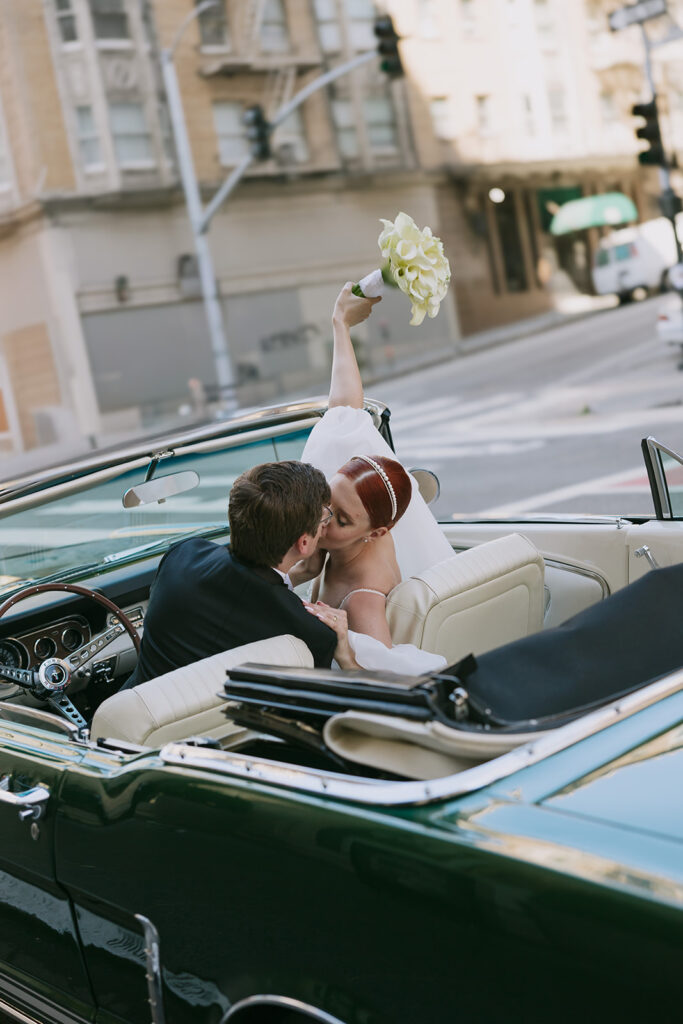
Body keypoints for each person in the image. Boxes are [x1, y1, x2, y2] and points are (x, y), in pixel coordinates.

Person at [296, 282, 454, 673]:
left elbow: (388, 680)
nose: (323, 519)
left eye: (341, 520)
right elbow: (344, 413)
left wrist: (345, 651)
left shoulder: (363, 602)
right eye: (326, 502)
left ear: (377, 533)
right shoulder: (348, 521)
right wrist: (340, 325)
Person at [121, 460, 357, 689]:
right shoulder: (312, 633)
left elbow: (239, 593)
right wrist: (346, 655)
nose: (327, 523)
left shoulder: (182, 556)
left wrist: (299, 575)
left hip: (129, 704)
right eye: (324, 518)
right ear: (304, 543)